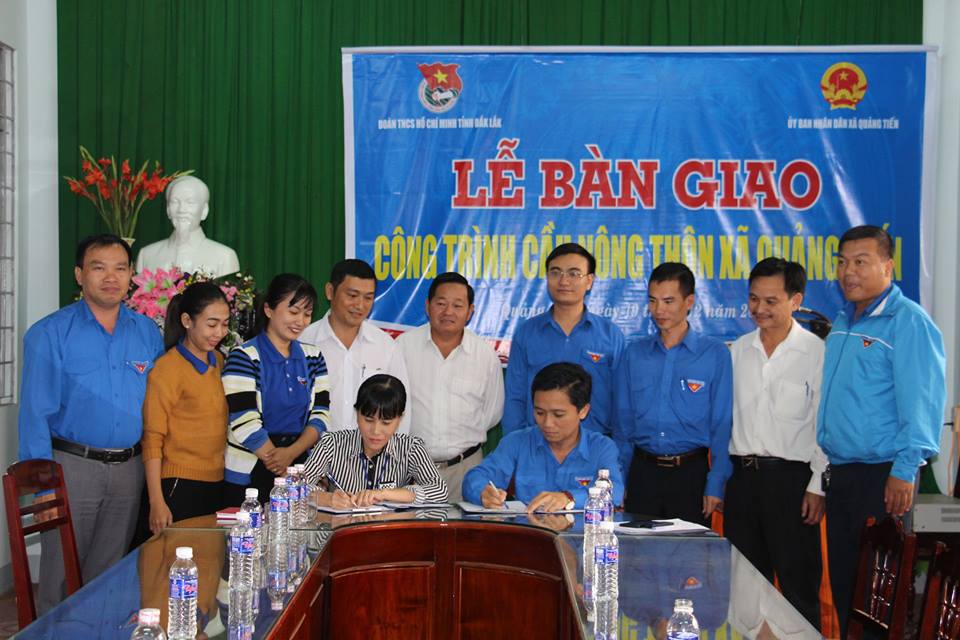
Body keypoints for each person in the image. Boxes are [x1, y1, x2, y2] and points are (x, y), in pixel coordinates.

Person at [18, 235, 164, 612]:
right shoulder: (49, 334)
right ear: (79, 275)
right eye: (99, 268)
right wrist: (43, 489)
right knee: (61, 576)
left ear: (131, 275)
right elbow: (34, 415)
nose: (110, 277)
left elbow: (158, 407)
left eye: (120, 268)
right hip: (71, 470)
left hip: (129, 470)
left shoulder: (147, 332)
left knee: (110, 576)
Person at [817, 225, 946, 636]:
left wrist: (904, 470)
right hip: (843, 476)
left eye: (861, 262)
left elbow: (922, 401)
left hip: (883, 477)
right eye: (842, 262)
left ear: (888, 267)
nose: (848, 272)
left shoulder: (908, 322)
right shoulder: (844, 321)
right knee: (846, 589)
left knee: (877, 600)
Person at [725, 258, 826, 630]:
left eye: (771, 301)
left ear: (795, 300)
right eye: (754, 299)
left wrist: (817, 486)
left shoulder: (816, 353)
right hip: (743, 481)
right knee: (746, 590)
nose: (759, 309)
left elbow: (824, 426)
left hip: (792, 484)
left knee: (799, 587)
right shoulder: (737, 351)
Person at [612, 262, 732, 525]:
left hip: (691, 475)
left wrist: (715, 482)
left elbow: (722, 425)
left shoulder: (714, 354)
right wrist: (619, 480)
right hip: (642, 473)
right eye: (652, 301)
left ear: (689, 302)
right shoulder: (634, 354)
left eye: (668, 301)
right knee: (637, 548)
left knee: (689, 550)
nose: (659, 310)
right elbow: (623, 427)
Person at [222, 273, 331, 505]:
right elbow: (243, 419)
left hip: (298, 464)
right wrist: (277, 461)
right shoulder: (243, 356)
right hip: (251, 467)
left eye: (307, 314)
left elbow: (321, 415)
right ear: (269, 310)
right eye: (293, 311)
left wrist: (291, 455)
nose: (300, 321)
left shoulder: (314, 356)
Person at [397, 272, 504, 502]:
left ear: (470, 311)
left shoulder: (485, 356)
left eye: (457, 305)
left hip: (465, 470)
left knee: (463, 527)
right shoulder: (402, 347)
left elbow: (492, 414)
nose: (448, 312)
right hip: (410, 470)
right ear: (428, 306)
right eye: (441, 303)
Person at [463, 362, 624, 514]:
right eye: (539, 413)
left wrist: (569, 498)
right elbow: (475, 478)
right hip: (529, 532)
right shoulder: (517, 442)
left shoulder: (601, 447)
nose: (547, 423)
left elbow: (615, 491)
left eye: (558, 414)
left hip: (582, 533)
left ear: (583, 411)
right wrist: (483, 492)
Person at [139, 282, 231, 539]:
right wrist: (156, 501)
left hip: (216, 482)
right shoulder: (166, 369)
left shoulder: (219, 361)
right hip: (178, 485)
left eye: (225, 324)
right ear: (187, 321)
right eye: (211, 324)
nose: (219, 332)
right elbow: (152, 438)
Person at [502, 243, 625, 436]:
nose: (564, 281)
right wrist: (515, 446)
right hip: (537, 444)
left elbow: (621, 401)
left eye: (574, 273)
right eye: (555, 272)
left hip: (594, 445)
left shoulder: (610, 335)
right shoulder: (527, 333)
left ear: (589, 281)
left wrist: (617, 449)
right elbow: (515, 398)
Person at [301, 374, 447, 506]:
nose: (376, 431)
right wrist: (326, 498)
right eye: (368, 420)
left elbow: (439, 490)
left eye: (386, 423)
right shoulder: (332, 444)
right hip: (343, 527)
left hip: (392, 527)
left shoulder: (411, 448)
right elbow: (295, 487)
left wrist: (385, 494)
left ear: (400, 419)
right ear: (357, 413)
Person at [300, 259, 410, 433]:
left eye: (368, 298)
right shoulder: (304, 342)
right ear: (330, 291)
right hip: (316, 448)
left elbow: (401, 408)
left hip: (371, 450)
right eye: (352, 295)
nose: (360, 305)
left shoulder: (386, 346)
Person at [135, 175, 240, 277]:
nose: (181, 210)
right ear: (168, 209)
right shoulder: (147, 255)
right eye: (175, 202)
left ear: (204, 210)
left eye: (190, 202)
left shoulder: (225, 257)